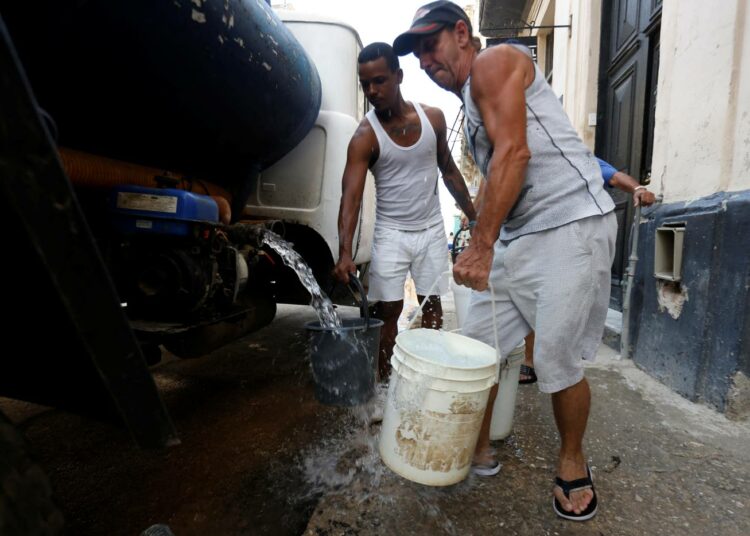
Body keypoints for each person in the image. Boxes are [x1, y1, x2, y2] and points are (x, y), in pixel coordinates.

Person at [395, 0, 615, 521]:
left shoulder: (494, 64)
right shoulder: (467, 106)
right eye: (419, 54)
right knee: (475, 350)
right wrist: (487, 231)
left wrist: (481, 245)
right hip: (518, 236)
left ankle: (572, 460)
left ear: (462, 34)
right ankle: (477, 448)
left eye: (432, 45)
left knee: (557, 360)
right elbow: (497, 174)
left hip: (569, 224)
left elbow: (515, 154)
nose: (426, 60)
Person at [333, 42, 476, 381]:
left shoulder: (433, 118)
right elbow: (350, 198)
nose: (372, 90)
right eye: (364, 83)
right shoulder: (364, 137)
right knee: (388, 313)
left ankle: (430, 381)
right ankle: (385, 389)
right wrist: (343, 252)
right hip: (391, 233)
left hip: (430, 228)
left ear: (398, 76)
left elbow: (450, 171)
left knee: (432, 307)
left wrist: (476, 217)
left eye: (380, 80)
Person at [519, 162, 657, 383]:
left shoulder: (576, 157)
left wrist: (638, 188)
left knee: (571, 301)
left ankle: (567, 359)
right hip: (537, 233)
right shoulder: (528, 158)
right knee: (530, 297)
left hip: (578, 235)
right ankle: (530, 360)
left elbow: (613, 177)